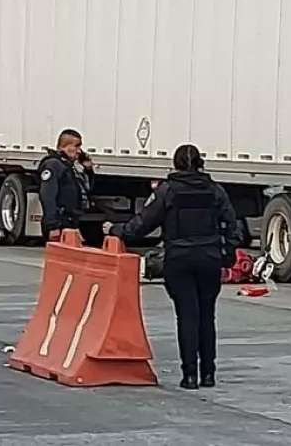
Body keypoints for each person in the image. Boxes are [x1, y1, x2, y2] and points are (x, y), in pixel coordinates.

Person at [104, 144, 245, 390]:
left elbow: (143, 223)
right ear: (201, 162)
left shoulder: (167, 191)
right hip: (209, 257)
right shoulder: (214, 190)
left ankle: (189, 375)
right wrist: (228, 254)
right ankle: (209, 373)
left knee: (187, 316)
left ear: (175, 164)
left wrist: (116, 230)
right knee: (206, 315)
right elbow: (232, 225)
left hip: (179, 258)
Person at [37, 129, 99, 246]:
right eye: (76, 146)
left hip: (70, 221)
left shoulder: (69, 167)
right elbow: (47, 196)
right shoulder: (53, 165)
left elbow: (87, 189)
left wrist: (88, 170)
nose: (79, 151)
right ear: (64, 146)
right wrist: (53, 225)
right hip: (60, 222)